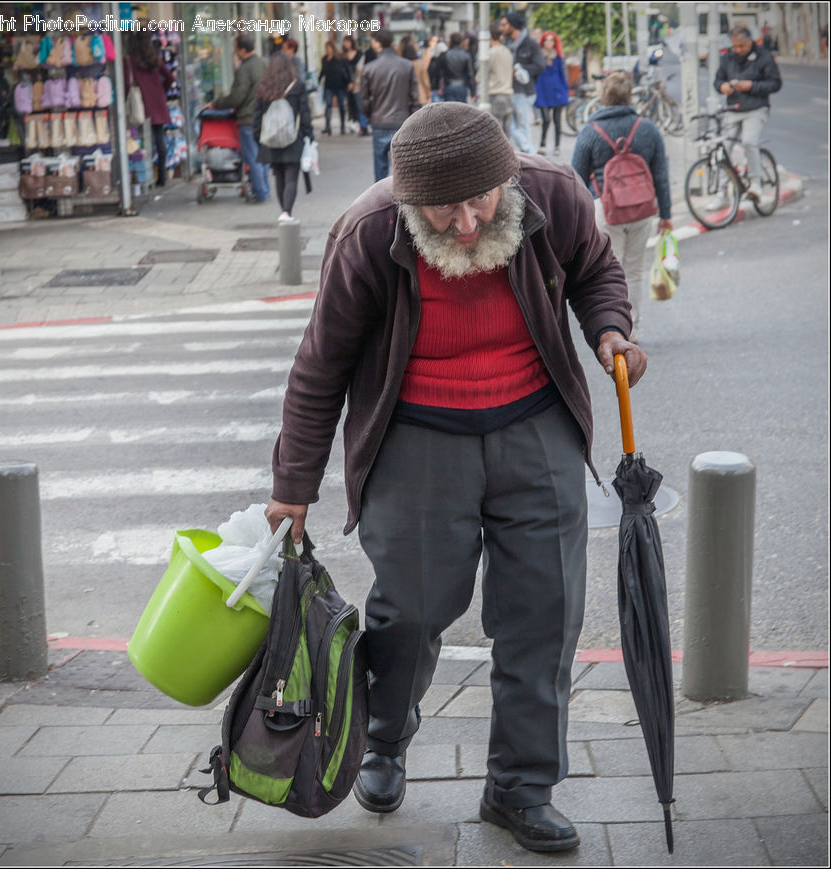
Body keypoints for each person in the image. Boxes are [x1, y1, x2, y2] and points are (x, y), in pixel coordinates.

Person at [265, 102, 645, 854]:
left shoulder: (552, 193)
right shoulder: (370, 231)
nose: (467, 225)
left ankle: (520, 786)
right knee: (410, 609)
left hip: (535, 424)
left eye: (481, 202)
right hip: (417, 433)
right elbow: (320, 367)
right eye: (444, 211)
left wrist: (609, 328)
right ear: (409, 202)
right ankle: (384, 740)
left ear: (506, 179)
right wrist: (293, 486)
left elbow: (597, 269)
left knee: (546, 610)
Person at [572, 72, 672, 344]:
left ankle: (619, 330)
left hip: (605, 211)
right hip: (641, 210)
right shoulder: (648, 128)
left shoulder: (590, 132)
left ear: (602, 98)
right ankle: (636, 328)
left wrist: (579, 221)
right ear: (630, 98)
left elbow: (577, 179)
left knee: (609, 274)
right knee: (635, 270)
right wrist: (666, 215)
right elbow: (660, 174)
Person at [712, 24, 782, 210]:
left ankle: (756, 184)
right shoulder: (727, 57)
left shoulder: (763, 56)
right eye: (735, 46)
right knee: (723, 149)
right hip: (733, 108)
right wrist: (722, 87)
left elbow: (775, 83)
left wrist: (751, 86)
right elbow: (718, 80)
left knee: (749, 141)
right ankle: (722, 193)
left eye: (741, 46)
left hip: (756, 108)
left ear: (750, 41)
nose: (738, 50)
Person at [252, 53, 313, 224]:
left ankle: (284, 212)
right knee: (291, 177)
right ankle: (287, 212)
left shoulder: (264, 87)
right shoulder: (297, 86)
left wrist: (258, 138)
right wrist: (308, 135)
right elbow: (305, 113)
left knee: (278, 176)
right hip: (293, 138)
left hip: (270, 140)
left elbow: (256, 116)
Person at [210, 35, 270, 203]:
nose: (234, 52)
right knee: (264, 156)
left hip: (248, 118)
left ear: (243, 50)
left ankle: (261, 193)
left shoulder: (244, 69)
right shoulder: (264, 63)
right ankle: (265, 189)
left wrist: (216, 103)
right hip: (264, 116)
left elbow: (237, 96)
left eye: (236, 48)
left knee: (253, 157)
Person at [360, 28, 418, 182]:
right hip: (402, 120)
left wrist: (369, 115)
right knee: (402, 170)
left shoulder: (369, 68)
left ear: (378, 43)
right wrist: (412, 118)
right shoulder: (407, 66)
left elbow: (364, 100)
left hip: (379, 121)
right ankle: (402, 204)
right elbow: (415, 97)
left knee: (380, 172)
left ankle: (382, 203)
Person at [124, 30, 174, 186]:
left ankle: (143, 176)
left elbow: (126, 83)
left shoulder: (130, 60)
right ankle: (162, 176)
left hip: (141, 103)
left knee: (139, 138)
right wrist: (162, 91)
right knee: (159, 138)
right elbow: (170, 77)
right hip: (158, 101)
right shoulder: (155, 57)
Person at [500, 11, 545, 153]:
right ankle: (528, 153)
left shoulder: (529, 44)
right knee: (511, 127)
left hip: (524, 91)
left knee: (522, 125)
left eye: (504, 24)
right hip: (509, 89)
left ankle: (530, 155)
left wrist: (520, 70)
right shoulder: (507, 44)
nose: (502, 28)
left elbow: (539, 66)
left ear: (513, 25)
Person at [534, 31, 569, 156]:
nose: (549, 42)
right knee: (546, 119)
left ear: (555, 42)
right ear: (543, 42)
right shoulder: (538, 56)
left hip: (556, 91)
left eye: (551, 40)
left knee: (557, 120)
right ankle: (542, 144)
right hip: (542, 90)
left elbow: (562, 75)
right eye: (546, 40)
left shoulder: (558, 57)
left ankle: (557, 146)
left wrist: (565, 90)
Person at [485, 23, 513, 138]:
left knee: (496, 135)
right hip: (508, 95)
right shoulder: (507, 51)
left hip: (495, 95)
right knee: (507, 134)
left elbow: (481, 75)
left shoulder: (490, 53)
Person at [318, 41, 351, 135]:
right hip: (329, 86)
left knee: (341, 106)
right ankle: (328, 126)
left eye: (329, 48)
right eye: (326, 48)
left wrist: (349, 82)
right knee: (328, 105)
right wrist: (319, 80)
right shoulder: (324, 59)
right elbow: (322, 72)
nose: (327, 50)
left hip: (340, 85)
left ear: (333, 48)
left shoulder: (340, 58)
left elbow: (347, 70)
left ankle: (342, 126)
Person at [434, 32, 475, 103]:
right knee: (461, 110)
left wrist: (438, 87)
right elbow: (470, 75)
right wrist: (473, 92)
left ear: (451, 41)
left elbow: (439, 73)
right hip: (462, 87)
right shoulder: (466, 55)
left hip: (449, 86)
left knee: (449, 111)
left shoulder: (444, 55)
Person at [342, 35, 369, 135]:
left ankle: (363, 125)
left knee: (359, 104)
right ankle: (356, 123)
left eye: (348, 42)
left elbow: (361, 70)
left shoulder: (359, 54)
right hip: (347, 84)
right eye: (345, 42)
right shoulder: (343, 56)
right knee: (350, 105)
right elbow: (343, 71)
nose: (346, 44)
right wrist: (348, 82)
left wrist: (354, 82)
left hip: (358, 84)